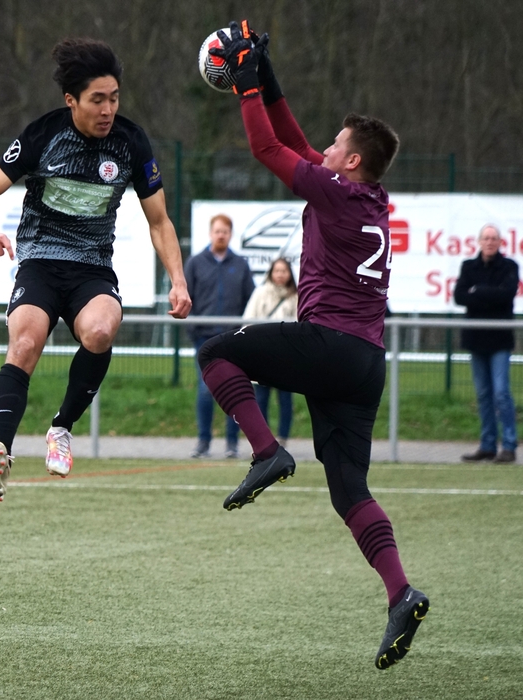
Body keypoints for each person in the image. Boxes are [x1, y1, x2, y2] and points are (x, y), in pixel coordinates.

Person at [201, 21, 428, 670]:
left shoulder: (337, 193)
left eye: (337, 144)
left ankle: (266, 451)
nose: (324, 147)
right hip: (365, 364)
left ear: (351, 161)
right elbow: (296, 142)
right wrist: (266, 72)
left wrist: (246, 82)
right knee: (349, 489)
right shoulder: (369, 198)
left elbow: (267, 148)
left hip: (330, 344)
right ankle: (401, 593)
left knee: (215, 351)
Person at [0, 38, 191, 501]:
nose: (108, 109)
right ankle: (0, 451)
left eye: (114, 98)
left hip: (92, 268)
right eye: (97, 99)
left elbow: (159, 221)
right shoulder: (42, 134)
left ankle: (61, 428)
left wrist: (178, 280)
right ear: (72, 100)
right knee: (25, 343)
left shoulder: (130, 142)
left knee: (101, 331)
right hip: (40, 263)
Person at [184, 214, 255, 459]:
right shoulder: (195, 263)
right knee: (206, 390)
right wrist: (194, 330)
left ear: (230, 234)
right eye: (217, 231)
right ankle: (203, 442)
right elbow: (186, 298)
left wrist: (243, 333)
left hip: (232, 340)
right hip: (204, 339)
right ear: (210, 233)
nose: (221, 235)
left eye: (225, 231)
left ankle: (232, 444)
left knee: (234, 389)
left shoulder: (241, 264)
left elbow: (250, 300)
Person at [454, 224, 520, 463]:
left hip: (500, 340)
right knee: (483, 395)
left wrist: (478, 291)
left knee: (501, 393)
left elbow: (507, 295)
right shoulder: (468, 266)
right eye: (486, 238)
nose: (490, 242)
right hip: (476, 339)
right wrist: (490, 294)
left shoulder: (509, 267)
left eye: (494, 238)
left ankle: (509, 445)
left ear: (500, 242)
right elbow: (459, 296)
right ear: (479, 241)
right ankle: (488, 445)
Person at [243, 257, 298, 446]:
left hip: (286, 358)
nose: (280, 274)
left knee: (285, 399)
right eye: (277, 270)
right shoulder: (260, 293)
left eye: (284, 271)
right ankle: (264, 439)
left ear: (289, 273)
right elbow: (248, 319)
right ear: (271, 273)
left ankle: (283, 438)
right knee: (260, 400)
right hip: (262, 356)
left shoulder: (296, 296)